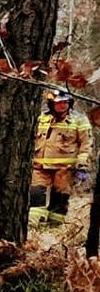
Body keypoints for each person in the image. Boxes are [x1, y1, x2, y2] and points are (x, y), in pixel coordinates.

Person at [30, 89, 92, 225]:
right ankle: (33, 227)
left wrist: (82, 166)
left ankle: (53, 227)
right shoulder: (41, 118)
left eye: (65, 102)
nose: (62, 105)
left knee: (59, 200)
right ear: (51, 104)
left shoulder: (79, 120)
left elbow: (86, 145)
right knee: (36, 197)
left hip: (64, 169)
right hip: (39, 167)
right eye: (59, 103)